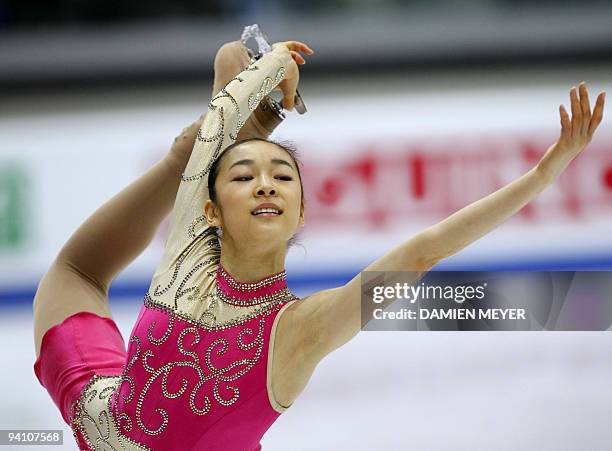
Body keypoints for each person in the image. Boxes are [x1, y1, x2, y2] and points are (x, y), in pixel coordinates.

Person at [33, 34, 605, 450]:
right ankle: (227, 142)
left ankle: (238, 135)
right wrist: (262, 66)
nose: (265, 184)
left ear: (303, 209)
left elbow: (423, 250)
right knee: (79, 268)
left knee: (199, 155)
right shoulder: (192, 244)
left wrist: (540, 177)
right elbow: (225, 73)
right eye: (243, 176)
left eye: (282, 177)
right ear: (211, 209)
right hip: (100, 416)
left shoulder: (300, 331)